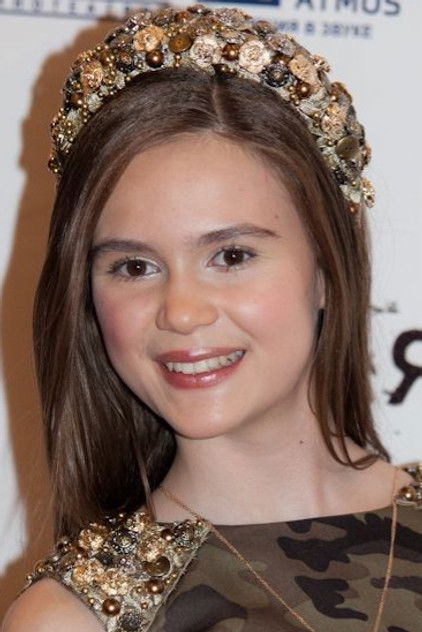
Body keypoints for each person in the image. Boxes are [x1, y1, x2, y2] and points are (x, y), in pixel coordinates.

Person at [3, 4, 421, 631]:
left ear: (327, 267)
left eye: (231, 256)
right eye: (134, 267)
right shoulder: (72, 619)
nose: (182, 312)